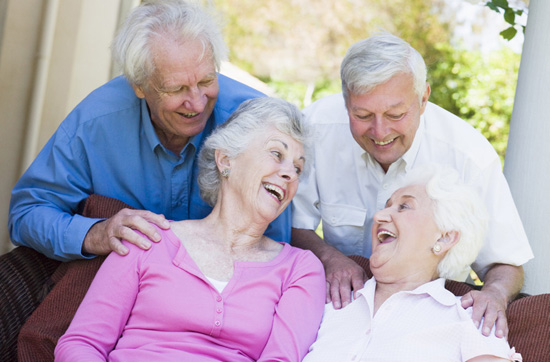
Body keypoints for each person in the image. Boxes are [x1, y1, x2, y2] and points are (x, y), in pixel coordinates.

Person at [291, 32, 533, 338]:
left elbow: (506, 263)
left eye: (396, 114)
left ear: (423, 99)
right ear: (345, 102)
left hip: (428, 317)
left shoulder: (469, 156)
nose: (380, 132)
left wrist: (495, 294)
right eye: (362, 115)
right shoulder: (315, 129)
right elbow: (289, 222)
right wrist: (328, 257)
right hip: (342, 306)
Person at [8, 0, 290, 262]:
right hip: (116, 280)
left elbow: (275, 245)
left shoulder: (258, 124)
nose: (197, 101)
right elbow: (26, 214)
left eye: (206, 80)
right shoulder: (94, 123)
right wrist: (96, 234)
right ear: (139, 86)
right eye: (176, 88)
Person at [54, 97, 326, 361]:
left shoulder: (299, 269)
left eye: (298, 168)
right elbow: (82, 343)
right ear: (226, 160)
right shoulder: (149, 238)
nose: (290, 173)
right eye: (277, 154)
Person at [302, 166, 522, 362]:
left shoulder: (470, 319)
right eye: (387, 206)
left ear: (444, 238)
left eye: (404, 207)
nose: (379, 215)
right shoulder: (329, 298)